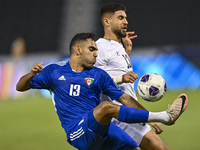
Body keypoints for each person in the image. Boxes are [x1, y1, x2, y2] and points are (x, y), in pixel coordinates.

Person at [16, 32, 188, 150]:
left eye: (97, 50)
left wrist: (146, 116)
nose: (96, 55)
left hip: (102, 128)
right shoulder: (53, 72)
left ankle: (161, 117)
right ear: (78, 50)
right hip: (77, 131)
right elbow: (20, 86)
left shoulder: (98, 74)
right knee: (106, 107)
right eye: (92, 50)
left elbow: (125, 98)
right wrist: (31, 74)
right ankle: (165, 116)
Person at [94, 3, 176, 150]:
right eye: (120, 18)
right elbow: (94, 83)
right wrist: (148, 116)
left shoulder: (118, 47)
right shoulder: (100, 48)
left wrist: (127, 51)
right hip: (120, 118)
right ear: (107, 21)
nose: (125, 21)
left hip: (128, 114)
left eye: (125, 18)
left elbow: (117, 75)